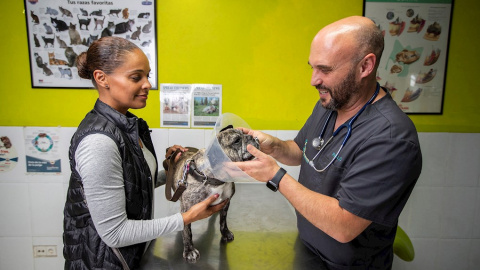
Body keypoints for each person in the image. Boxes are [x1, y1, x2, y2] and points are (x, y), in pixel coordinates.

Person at [235, 16, 422, 269]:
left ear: (365, 66)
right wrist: (274, 146)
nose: (314, 80)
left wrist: (275, 176)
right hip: (308, 250)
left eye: (325, 69)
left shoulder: (391, 138)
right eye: (312, 67)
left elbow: (343, 225)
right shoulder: (330, 104)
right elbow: (301, 151)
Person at [63, 36, 228, 270]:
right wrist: (186, 218)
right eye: (136, 77)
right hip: (105, 263)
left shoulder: (127, 126)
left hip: (129, 257)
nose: (148, 85)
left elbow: (132, 184)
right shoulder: (99, 141)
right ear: (102, 78)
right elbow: (115, 233)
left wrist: (176, 169)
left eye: (147, 76)